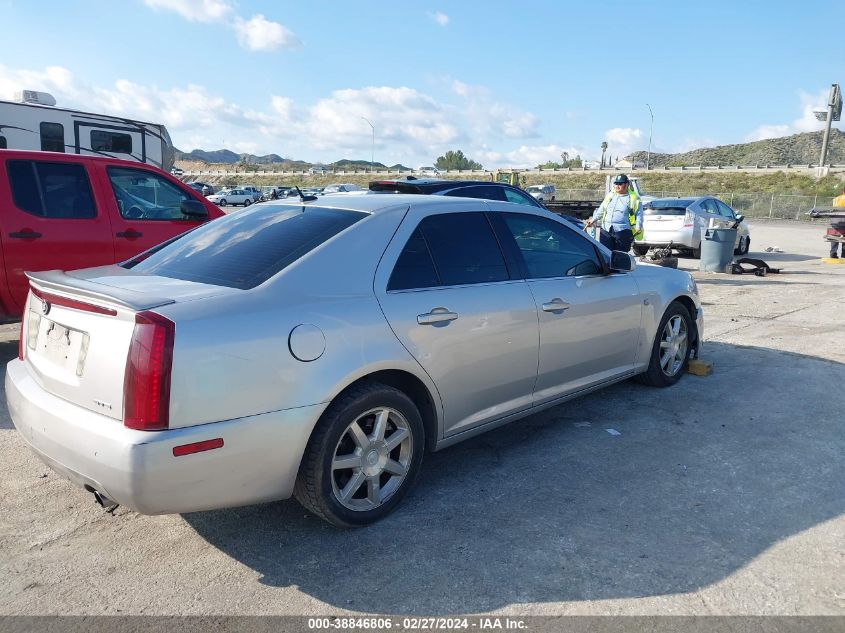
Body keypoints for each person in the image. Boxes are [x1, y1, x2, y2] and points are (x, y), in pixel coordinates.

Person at [583, 174, 644, 253]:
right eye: (616, 183)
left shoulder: (634, 198)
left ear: (627, 184)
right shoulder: (610, 195)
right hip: (606, 229)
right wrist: (593, 220)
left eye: (620, 184)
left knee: (620, 256)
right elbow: (602, 209)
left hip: (623, 231)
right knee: (605, 254)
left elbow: (639, 214)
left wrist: (638, 226)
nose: (617, 186)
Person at [829, 185, 845, 258]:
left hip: (834, 222)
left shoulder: (836, 199)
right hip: (843, 222)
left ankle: (833, 253)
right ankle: (844, 254)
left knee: (834, 236)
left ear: (843, 191)